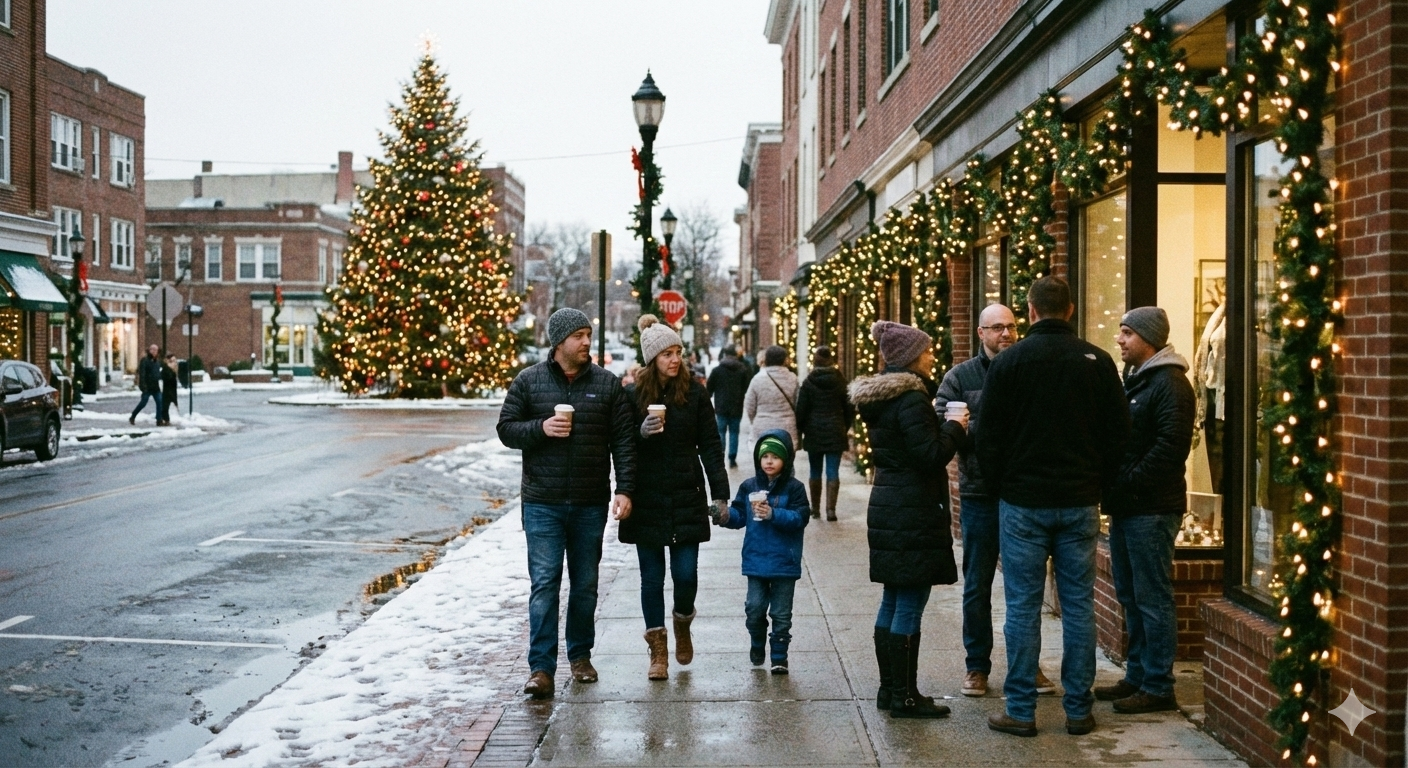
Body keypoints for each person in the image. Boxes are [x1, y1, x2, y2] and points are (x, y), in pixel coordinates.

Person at [976, 276, 1130, 737]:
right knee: (1079, 606)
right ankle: (1078, 709)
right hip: (1079, 500)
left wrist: (1005, 483)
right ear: (1071, 309)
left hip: (1022, 501)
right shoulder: (1097, 362)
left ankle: (1021, 710)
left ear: (1030, 310)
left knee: (1022, 607)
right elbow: (1119, 435)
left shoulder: (1009, 363)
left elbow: (988, 437)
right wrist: (1096, 482)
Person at [497, 307, 637, 700]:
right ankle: (541, 669)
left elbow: (623, 442)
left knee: (585, 584)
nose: (586, 342)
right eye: (578, 336)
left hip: (590, 501)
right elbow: (506, 429)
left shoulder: (607, 385)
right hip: (542, 501)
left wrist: (624, 488)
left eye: (588, 334)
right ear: (559, 342)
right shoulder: (529, 381)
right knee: (544, 584)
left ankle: (580, 656)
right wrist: (541, 428)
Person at [936, 304, 1058, 699]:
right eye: (997, 328)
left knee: (1025, 586)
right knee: (978, 583)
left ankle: (1027, 666)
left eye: (1011, 327)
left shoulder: (1030, 368)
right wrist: (977, 437)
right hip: (980, 495)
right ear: (980, 332)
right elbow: (945, 425)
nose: (1006, 334)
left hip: (1024, 493)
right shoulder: (961, 377)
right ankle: (977, 666)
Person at [848, 321, 967, 719]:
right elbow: (929, 456)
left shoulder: (882, 399)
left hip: (889, 504)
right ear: (912, 357)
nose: (933, 356)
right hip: (912, 509)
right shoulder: (912, 399)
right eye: (928, 351)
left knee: (894, 598)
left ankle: (890, 690)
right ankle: (905, 696)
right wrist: (954, 428)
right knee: (910, 602)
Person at [621, 314, 730, 681]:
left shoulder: (695, 393)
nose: (674, 359)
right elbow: (621, 447)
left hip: (686, 492)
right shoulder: (634, 396)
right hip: (647, 496)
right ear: (652, 359)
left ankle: (683, 621)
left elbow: (711, 446)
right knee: (651, 578)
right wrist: (641, 432)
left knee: (685, 575)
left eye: (678, 351)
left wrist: (721, 495)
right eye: (667, 353)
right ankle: (658, 651)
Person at [1097, 307, 1195, 714]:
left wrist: (1126, 482)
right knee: (1131, 595)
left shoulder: (1170, 385)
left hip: (1152, 510)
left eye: (1127, 333)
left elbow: (1170, 450)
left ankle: (1158, 685)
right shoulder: (1137, 381)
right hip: (1128, 507)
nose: (1119, 340)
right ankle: (1137, 675)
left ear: (1149, 339)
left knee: (1152, 598)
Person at [716, 430, 810, 674]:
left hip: (784, 561)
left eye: (775, 457)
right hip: (756, 560)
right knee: (754, 608)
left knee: (781, 613)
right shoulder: (749, 486)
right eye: (765, 456)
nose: (769, 461)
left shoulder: (795, 488)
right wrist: (725, 516)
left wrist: (773, 514)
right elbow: (739, 515)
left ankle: (779, 657)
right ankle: (757, 641)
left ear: (786, 460)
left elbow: (800, 517)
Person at [795, 346, 852, 520]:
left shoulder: (808, 382)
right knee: (833, 471)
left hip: (814, 431)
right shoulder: (841, 381)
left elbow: (801, 410)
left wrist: (802, 429)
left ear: (815, 361)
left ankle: (815, 508)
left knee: (815, 470)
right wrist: (844, 426)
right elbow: (849, 407)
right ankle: (831, 510)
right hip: (835, 429)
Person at [743, 345, 799, 447]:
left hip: (763, 426)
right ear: (784, 359)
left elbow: (749, 404)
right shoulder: (793, 378)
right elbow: (798, 403)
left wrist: (755, 419)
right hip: (787, 426)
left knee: (763, 458)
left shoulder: (757, 379)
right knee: (786, 458)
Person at [706, 345, 751, 468]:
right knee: (734, 432)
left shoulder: (717, 370)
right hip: (737, 406)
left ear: (725, 355)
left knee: (721, 432)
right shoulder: (742, 370)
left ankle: (721, 454)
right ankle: (732, 457)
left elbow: (709, 389)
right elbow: (747, 388)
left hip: (721, 406)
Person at [129, 345, 163, 425]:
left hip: (155, 387)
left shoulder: (157, 361)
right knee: (143, 403)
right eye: (153, 349)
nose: (154, 351)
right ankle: (133, 416)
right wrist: (143, 386)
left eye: (156, 350)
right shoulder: (144, 360)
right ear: (149, 350)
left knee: (159, 402)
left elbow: (158, 373)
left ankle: (159, 420)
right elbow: (142, 374)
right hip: (147, 387)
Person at [159, 354, 180, 426]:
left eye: (175, 361)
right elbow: (166, 378)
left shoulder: (172, 370)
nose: (175, 363)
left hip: (171, 391)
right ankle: (164, 420)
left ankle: (165, 420)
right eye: (173, 361)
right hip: (167, 391)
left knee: (166, 406)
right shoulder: (166, 369)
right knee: (165, 406)